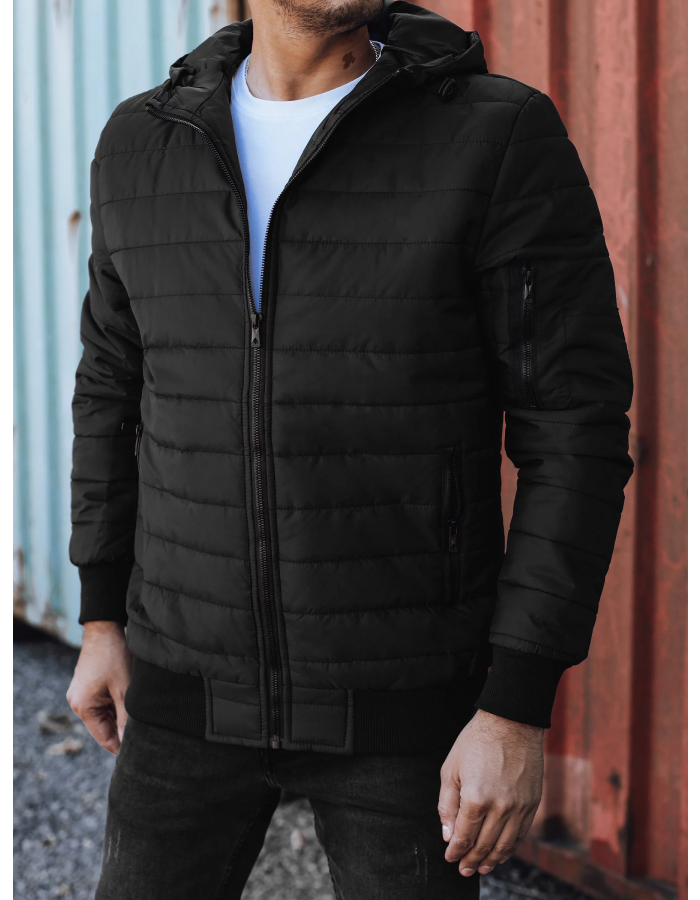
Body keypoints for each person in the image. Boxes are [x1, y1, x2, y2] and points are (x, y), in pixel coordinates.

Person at [66, 0, 633, 897]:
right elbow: (111, 388)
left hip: (405, 717)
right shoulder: (142, 142)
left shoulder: (494, 137)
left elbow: (575, 428)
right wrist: (101, 616)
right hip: (181, 693)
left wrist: (515, 706)